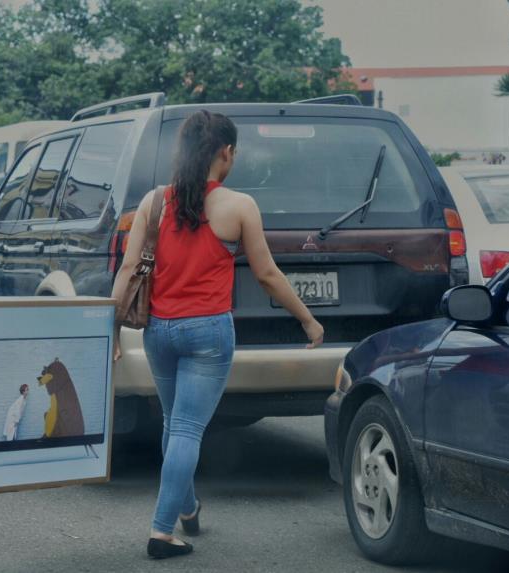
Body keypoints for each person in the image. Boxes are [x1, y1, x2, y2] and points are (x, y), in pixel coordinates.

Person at [111, 110, 325, 560]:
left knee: (175, 424)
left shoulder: (154, 202)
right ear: (226, 153)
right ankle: (161, 530)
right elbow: (267, 274)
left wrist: (112, 329)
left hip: (159, 332)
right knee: (187, 428)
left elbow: (129, 270)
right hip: (208, 331)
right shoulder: (239, 205)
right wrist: (308, 319)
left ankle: (187, 507)